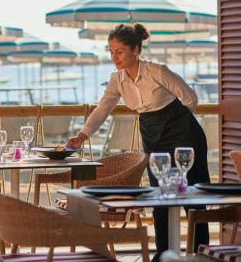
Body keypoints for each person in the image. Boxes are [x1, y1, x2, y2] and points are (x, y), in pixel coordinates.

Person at [67, 23, 210, 261]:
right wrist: (83, 135)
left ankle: (201, 252)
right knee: (160, 195)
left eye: (119, 52)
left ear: (136, 50)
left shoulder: (158, 71)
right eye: (111, 52)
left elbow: (190, 98)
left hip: (184, 134)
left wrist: (178, 122)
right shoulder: (117, 80)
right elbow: (104, 108)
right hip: (152, 134)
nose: (114, 57)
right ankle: (164, 254)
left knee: (192, 196)